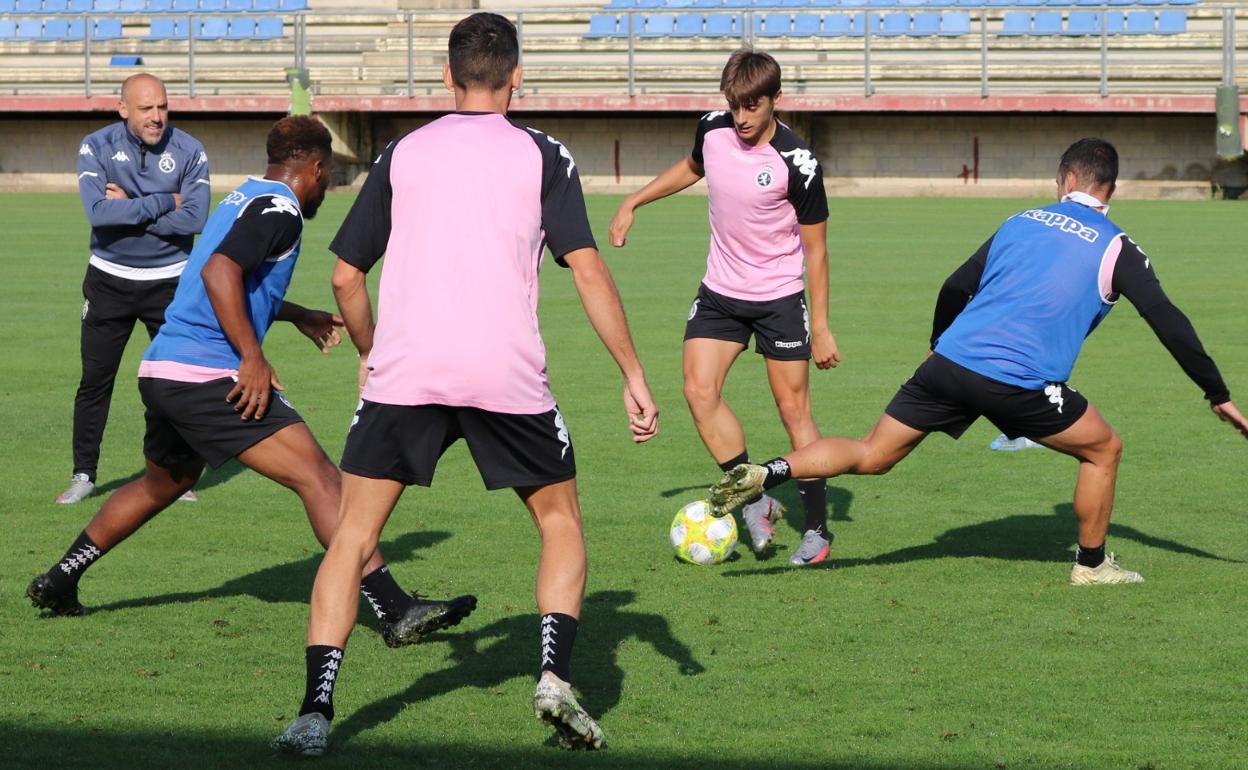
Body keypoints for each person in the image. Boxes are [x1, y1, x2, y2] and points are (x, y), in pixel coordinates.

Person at [272, 13, 658, 756]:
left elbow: (346, 275)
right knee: (559, 520)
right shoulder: (544, 154)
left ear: (446, 79)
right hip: (504, 374)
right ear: (518, 77)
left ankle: (315, 712)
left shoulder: (404, 152)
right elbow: (587, 268)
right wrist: (633, 374)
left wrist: (370, 350)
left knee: (352, 537)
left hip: (406, 374)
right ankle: (552, 678)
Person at [710, 138, 1248, 584]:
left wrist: (937, 342)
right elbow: (1168, 319)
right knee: (1105, 448)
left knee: (872, 453)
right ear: (1111, 188)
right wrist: (1217, 393)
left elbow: (955, 284)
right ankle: (1091, 566)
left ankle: (767, 471)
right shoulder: (1118, 247)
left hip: (949, 363)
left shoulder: (1020, 219)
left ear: (1064, 178)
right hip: (1017, 384)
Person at [28, 115, 476, 649]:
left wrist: (292, 314)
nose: (326, 186)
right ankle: (395, 608)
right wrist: (252, 357)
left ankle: (60, 579)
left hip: (165, 367)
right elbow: (220, 273)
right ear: (314, 166)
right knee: (320, 479)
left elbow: (219, 275)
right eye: (328, 173)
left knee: (162, 483)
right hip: (208, 375)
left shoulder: (244, 196)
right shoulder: (283, 209)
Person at [608, 49, 840, 566]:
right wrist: (633, 201)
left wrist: (820, 326)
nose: (741, 117)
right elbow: (691, 167)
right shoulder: (712, 129)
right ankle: (756, 500)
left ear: (776, 100)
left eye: (752, 107)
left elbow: (817, 250)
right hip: (720, 293)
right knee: (698, 390)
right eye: (734, 105)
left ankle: (819, 530)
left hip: (779, 297)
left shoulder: (797, 163)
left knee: (793, 412)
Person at [61, 73, 210, 505]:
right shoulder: (96, 145)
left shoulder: (190, 151)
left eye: (162, 106)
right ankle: (84, 474)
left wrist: (130, 204)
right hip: (108, 281)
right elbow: (100, 213)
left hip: (170, 283)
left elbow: (196, 220)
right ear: (123, 108)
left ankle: (173, 475)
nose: (157, 117)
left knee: (170, 383)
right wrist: (166, 200)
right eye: (146, 108)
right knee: (95, 382)